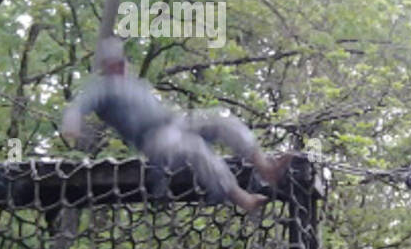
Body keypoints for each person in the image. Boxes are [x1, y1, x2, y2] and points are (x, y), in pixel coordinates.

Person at [61, 36, 291, 212]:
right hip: (154, 138)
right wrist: (72, 123)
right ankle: (240, 197)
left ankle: (266, 168)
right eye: (113, 64)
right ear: (106, 67)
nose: (119, 68)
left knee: (222, 119)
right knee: (195, 147)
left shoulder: (136, 85)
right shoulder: (101, 88)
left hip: (176, 122)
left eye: (121, 63)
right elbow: (77, 106)